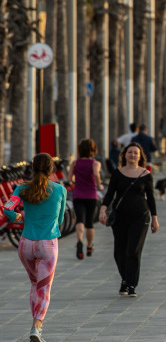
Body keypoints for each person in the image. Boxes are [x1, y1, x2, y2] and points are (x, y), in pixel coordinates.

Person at [4, 153, 67, 342]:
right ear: (51, 169)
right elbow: (61, 219)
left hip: (26, 244)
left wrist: (18, 217)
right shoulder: (60, 190)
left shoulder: (22, 188)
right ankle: (37, 325)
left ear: (32, 168)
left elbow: (7, 208)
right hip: (48, 243)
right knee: (44, 287)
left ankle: (35, 325)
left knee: (34, 283)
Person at [99, 143, 159, 297]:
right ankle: (125, 279)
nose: (133, 155)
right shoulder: (117, 173)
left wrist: (155, 219)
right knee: (119, 252)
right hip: (120, 217)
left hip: (140, 217)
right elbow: (110, 193)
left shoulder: (146, 174)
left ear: (140, 156)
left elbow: (151, 198)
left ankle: (131, 284)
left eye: (135, 153)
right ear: (124, 155)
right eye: (130, 152)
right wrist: (103, 208)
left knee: (133, 250)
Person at [66, 138, 104, 259]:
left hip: (78, 194)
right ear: (93, 150)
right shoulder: (95, 163)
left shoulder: (75, 163)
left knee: (80, 220)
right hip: (91, 195)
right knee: (89, 222)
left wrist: (74, 181)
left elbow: (69, 179)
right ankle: (89, 246)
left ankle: (79, 240)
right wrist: (99, 185)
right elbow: (97, 174)